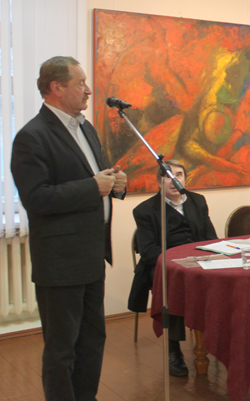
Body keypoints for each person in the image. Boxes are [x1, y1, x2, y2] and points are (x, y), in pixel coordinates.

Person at [10, 56, 127, 401]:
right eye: (80, 83)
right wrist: (93, 187)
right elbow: (36, 198)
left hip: (91, 254)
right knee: (62, 348)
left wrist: (116, 183)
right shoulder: (32, 136)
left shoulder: (86, 128)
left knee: (92, 339)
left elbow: (97, 177)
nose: (88, 90)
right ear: (56, 88)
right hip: (60, 261)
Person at [128, 159, 218, 377]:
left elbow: (210, 238)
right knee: (172, 285)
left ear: (185, 179)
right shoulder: (144, 210)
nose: (173, 179)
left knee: (224, 278)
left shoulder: (198, 201)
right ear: (159, 182)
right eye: (167, 176)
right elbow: (148, 251)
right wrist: (178, 262)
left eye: (178, 175)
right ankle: (174, 350)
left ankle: (217, 339)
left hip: (199, 261)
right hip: (163, 265)